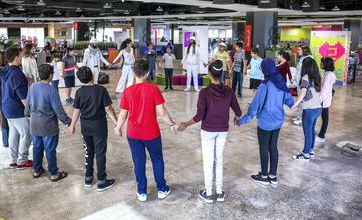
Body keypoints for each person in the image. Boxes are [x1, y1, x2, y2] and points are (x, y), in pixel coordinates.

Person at [178, 60, 242, 203]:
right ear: (222, 73)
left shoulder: (205, 93)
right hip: (223, 131)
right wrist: (236, 119)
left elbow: (199, 116)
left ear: (209, 74)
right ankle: (219, 193)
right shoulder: (229, 91)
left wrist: (185, 124)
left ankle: (208, 193)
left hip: (207, 131)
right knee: (218, 160)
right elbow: (238, 111)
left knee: (208, 161)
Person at [115, 59, 177, 202]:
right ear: (148, 72)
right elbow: (162, 113)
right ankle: (161, 189)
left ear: (133, 72)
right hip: (151, 133)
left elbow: (123, 114)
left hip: (133, 134)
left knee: (139, 162)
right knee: (157, 159)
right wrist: (172, 124)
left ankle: (142, 191)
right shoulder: (153, 89)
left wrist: (118, 128)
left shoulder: (127, 91)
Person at [237, 58, 294, 185]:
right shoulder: (281, 81)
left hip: (265, 123)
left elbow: (255, 107)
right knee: (273, 146)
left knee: (264, 148)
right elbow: (290, 102)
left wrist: (242, 120)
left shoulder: (265, 85)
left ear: (265, 70)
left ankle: (264, 177)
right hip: (278, 122)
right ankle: (273, 176)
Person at [68, 66, 118, 190]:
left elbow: (76, 110)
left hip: (85, 126)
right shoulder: (101, 90)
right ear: (92, 75)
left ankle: (88, 178)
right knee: (100, 152)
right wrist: (117, 123)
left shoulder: (79, 92)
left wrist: (72, 125)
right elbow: (108, 108)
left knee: (88, 151)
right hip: (99, 126)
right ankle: (101, 181)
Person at [26, 64, 71, 182]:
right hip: (48, 125)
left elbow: (28, 105)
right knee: (50, 149)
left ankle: (37, 170)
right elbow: (58, 109)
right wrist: (68, 121)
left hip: (34, 124)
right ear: (50, 75)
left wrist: (27, 114)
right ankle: (54, 173)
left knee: (37, 147)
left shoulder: (32, 87)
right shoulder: (51, 89)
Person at [0, 46, 33, 170]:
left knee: (14, 134)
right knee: (27, 133)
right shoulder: (17, 74)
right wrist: (30, 111)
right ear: (16, 57)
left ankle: (14, 160)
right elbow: (23, 96)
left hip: (7, 107)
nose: (22, 56)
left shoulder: (5, 70)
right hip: (17, 109)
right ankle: (22, 160)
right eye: (20, 55)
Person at [291, 58, 322, 161]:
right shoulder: (317, 77)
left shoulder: (305, 77)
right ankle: (310, 150)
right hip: (318, 108)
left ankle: (305, 154)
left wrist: (294, 105)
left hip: (309, 109)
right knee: (311, 131)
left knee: (307, 132)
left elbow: (303, 93)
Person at [315, 57, 336, 143]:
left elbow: (325, 89)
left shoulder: (328, 75)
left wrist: (319, 100)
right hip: (325, 99)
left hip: (324, 99)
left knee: (324, 118)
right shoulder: (328, 73)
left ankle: (321, 136)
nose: (321, 64)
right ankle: (321, 135)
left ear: (326, 64)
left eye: (322, 63)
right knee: (325, 117)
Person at [292, 45, 314, 125]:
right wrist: (294, 79)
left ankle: (302, 118)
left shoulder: (309, 59)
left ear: (304, 50)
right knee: (301, 101)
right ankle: (299, 116)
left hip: (304, 83)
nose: (298, 51)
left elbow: (308, 72)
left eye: (299, 50)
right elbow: (298, 71)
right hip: (299, 82)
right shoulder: (302, 58)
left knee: (303, 101)